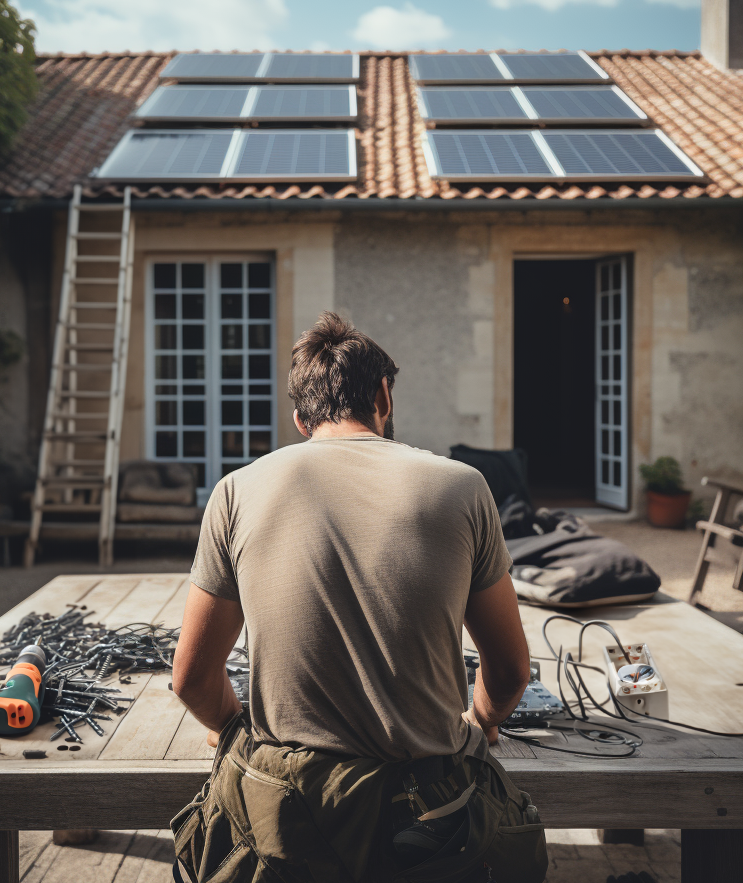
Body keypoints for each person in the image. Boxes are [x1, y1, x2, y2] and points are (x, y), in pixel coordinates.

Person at [170, 311, 546, 882]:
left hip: (288, 821)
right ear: (384, 396)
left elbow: (191, 678)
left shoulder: (235, 492)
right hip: (429, 822)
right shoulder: (463, 486)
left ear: (300, 418)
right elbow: (512, 669)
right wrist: (481, 720)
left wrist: (234, 728)